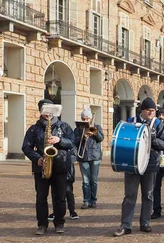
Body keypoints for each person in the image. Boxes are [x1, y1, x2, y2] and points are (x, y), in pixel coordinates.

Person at [114, 97, 164, 236]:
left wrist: (153, 139)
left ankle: (145, 222)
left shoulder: (158, 124)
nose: (152, 113)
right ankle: (125, 225)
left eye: (153, 111)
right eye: (149, 111)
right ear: (142, 110)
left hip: (150, 164)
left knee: (148, 195)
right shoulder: (132, 122)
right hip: (133, 163)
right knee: (130, 195)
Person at [22, 99, 75, 235]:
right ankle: (42, 225)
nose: (47, 114)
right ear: (40, 111)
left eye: (50, 110)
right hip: (42, 167)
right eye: (44, 111)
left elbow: (72, 143)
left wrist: (59, 140)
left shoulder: (64, 126)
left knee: (60, 197)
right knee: (41, 198)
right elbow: (26, 147)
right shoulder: (34, 129)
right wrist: (36, 158)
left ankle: (59, 223)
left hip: (60, 166)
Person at [74, 107, 104, 209]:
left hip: (95, 156)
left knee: (94, 180)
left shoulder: (97, 127)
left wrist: (94, 132)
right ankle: (86, 200)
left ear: (90, 118)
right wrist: (83, 138)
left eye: (87, 118)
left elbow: (101, 138)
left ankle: (93, 200)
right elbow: (74, 142)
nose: (85, 120)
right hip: (83, 157)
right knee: (85, 181)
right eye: (83, 118)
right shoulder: (78, 129)